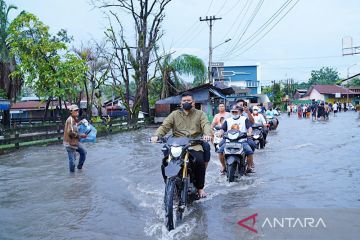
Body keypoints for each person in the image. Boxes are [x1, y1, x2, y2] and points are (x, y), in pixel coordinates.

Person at [151, 92, 212, 198]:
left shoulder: (200, 114)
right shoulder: (174, 114)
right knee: (165, 162)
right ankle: (169, 186)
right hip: (176, 145)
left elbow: (206, 124)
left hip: (194, 144)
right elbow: (165, 126)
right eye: (184, 101)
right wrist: (156, 135)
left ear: (193, 102)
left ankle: (200, 188)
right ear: (181, 103)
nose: (186, 102)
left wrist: (207, 134)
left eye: (189, 100)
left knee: (199, 162)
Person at [218, 105, 255, 173]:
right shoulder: (228, 120)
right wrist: (220, 133)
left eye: (236, 112)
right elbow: (222, 129)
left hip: (242, 141)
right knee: (220, 151)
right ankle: (223, 166)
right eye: (233, 112)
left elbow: (249, 127)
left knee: (250, 152)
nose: (234, 113)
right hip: (229, 141)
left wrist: (249, 132)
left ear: (239, 112)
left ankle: (249, 167)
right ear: (231, 112)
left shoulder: (244, 119)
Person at [63, 104, 88, 172]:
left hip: (75, 142)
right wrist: (81, 135)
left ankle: (79, 168)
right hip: (69, 143)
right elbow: (70, 132)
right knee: (72, 162)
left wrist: (80, 122)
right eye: (75, 110)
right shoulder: (70, 120)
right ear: (71, 111)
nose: (77, 111)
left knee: (83, 152)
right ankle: (72, 177)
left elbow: (75, 126)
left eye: (77, 110)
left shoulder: (74, 119)